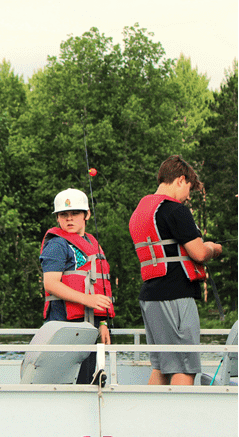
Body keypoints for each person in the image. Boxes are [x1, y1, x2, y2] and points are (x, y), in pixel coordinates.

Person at [128, 155, 222, 386]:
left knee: (161, 366)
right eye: (189, 189)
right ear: (180, 180)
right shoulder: (174, 210)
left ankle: (152, 420)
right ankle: (181, 421)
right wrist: (213, 248)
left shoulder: (141, 211)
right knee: (185, 367)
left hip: (151, 296)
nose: (188, 196)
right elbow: (198, 253)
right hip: (175, 296)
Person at [39, 188, 114, 384]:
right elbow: (51, 284)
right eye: (64, 215)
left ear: (87, 215)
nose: (69, 219)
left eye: (75, 214)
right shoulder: (57, 245)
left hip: (89, 326)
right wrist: (87, 300)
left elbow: (98, 286)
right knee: (66, 382)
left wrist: (103, 323)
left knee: (86, 378)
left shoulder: (91, 242)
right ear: (57, 218)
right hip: (64, 324)